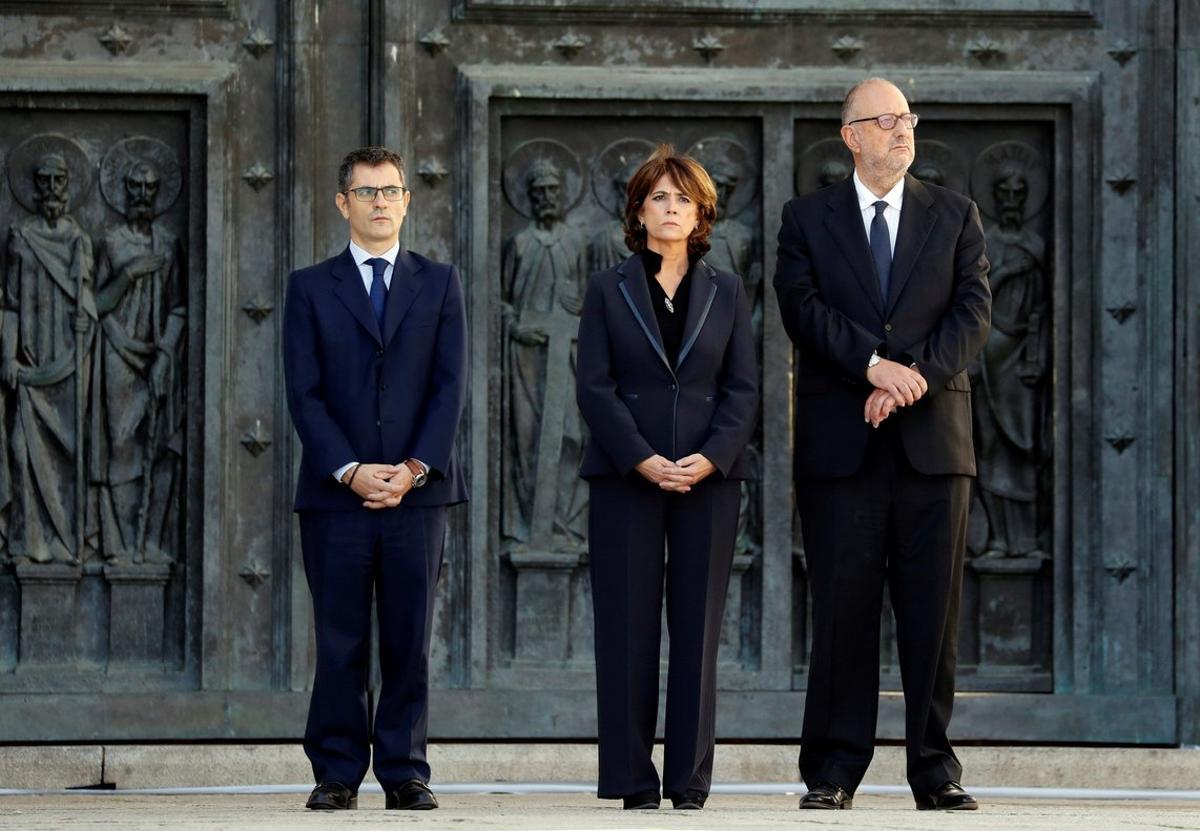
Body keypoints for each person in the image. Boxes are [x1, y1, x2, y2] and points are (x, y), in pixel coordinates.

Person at [773, 78, 991, 811]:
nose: (902, 131)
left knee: (935, 615)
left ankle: (935, 770)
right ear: (851, 136)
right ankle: (833, 770)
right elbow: (801, 309)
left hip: (934, 445)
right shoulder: (806, 219)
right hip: (843, 448)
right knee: (842, 611)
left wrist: (912, 379)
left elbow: (972, 311)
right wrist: (871, 364)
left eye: (907, 118)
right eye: (885, 120)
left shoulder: (956, 215)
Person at [283, 146, 467, 812]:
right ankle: (335, 770)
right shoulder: (310, 286)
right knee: (340, 639)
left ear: (407, 201)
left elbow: (450, 384)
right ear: (343, 203)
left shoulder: (440, 282)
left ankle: (404, 770)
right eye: (366, 192)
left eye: (391, 191)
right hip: (336, 497)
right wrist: (353, 469)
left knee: (408, 638)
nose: (380, 202)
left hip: (420, 496)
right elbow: (304, 392)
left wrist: (415, 467)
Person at [576, 144, 758, 811]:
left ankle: (688, 778)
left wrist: (710, 456)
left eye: (683, 197)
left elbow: (743, 388)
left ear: (702, 211)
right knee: (625, 626)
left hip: (709, 479)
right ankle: (631, 777)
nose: (671, 207)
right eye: (659, 196)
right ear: (638, 210)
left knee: (698, 628)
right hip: (627, 477)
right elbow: (594, 387)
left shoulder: (729, 291)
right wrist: (641, 456)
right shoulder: (607, 287)